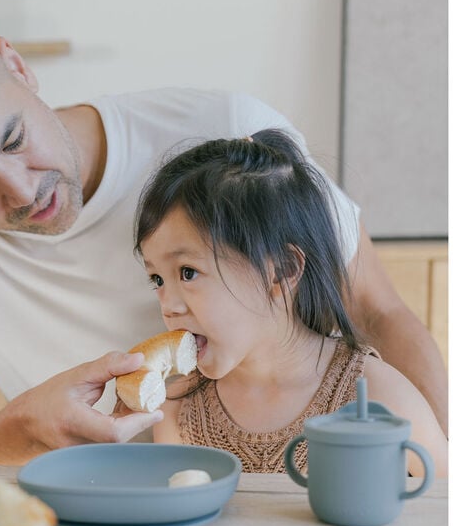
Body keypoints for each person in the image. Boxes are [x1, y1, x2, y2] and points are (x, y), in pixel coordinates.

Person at [0, 0, 447, 465]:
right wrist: (20, 426)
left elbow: (379, 312)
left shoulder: (226, 138)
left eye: (13, 140)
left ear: (18, 68)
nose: (22, 192)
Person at [126, 130, 447, 477]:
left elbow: (446, 498)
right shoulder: (178, 407)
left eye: (188, 272)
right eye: (157, 279)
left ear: (282, 270)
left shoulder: (374, 392)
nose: (169, 305)